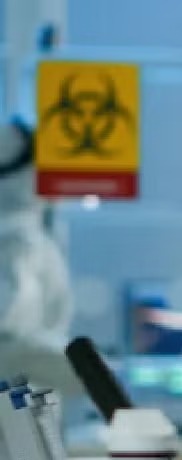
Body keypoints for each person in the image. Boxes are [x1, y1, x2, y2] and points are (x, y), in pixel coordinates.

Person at [0, 119, 79, 394]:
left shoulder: (32, 235)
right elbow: (10, 339)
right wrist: (82, 372)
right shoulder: (18, 242)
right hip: (18, 401)